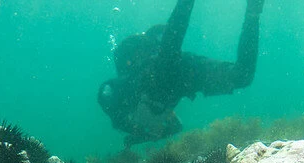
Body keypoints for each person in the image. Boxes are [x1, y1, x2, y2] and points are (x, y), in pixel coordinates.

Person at [98, 0, 266, 146]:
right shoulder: (125, 99)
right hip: (179, 75)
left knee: (168, 57)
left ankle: (252, 14)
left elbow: (169, 47)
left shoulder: (130, 86)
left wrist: (139, 133)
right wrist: (142, 136)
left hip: (169, 73)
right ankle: (253, 14)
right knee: (242, 76)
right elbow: (173, 128)